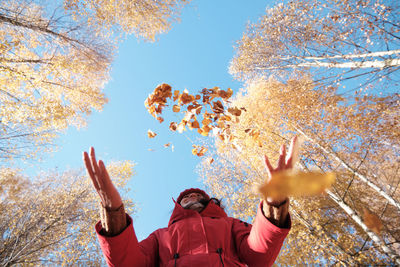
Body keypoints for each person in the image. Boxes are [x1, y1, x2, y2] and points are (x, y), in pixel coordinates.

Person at [83, 137, 297, 267]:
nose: (192, 197)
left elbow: (259, 257)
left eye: (197, 196)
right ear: (178, 206)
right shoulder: (161, 236)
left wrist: (274, 204)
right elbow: (128, 263)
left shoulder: (230, 225)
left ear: (210, 202)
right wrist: (112, 211)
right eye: (186, 197)